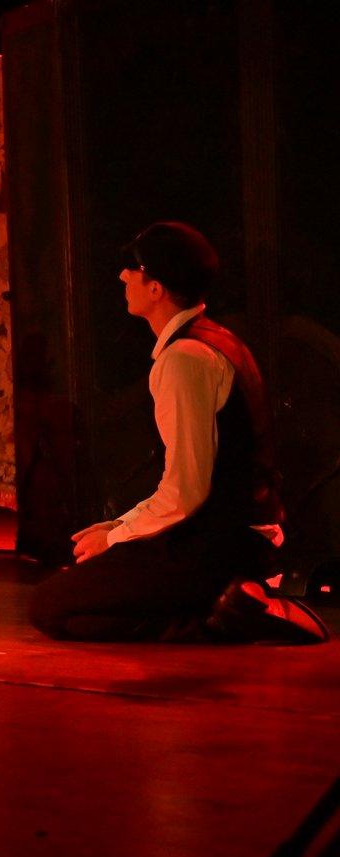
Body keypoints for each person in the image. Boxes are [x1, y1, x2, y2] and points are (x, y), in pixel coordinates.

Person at [28, 222, 327, 644]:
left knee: (50, 607)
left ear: (156, 288)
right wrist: (120, 525)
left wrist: (115, 537)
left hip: (221, 545)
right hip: (221, 536)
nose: (122, 275)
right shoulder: (212, 341)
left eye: (134, 268)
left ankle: (235, 615)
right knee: (77, 606)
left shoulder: (185, 359)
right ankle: (228, 605)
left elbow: (186, 492)